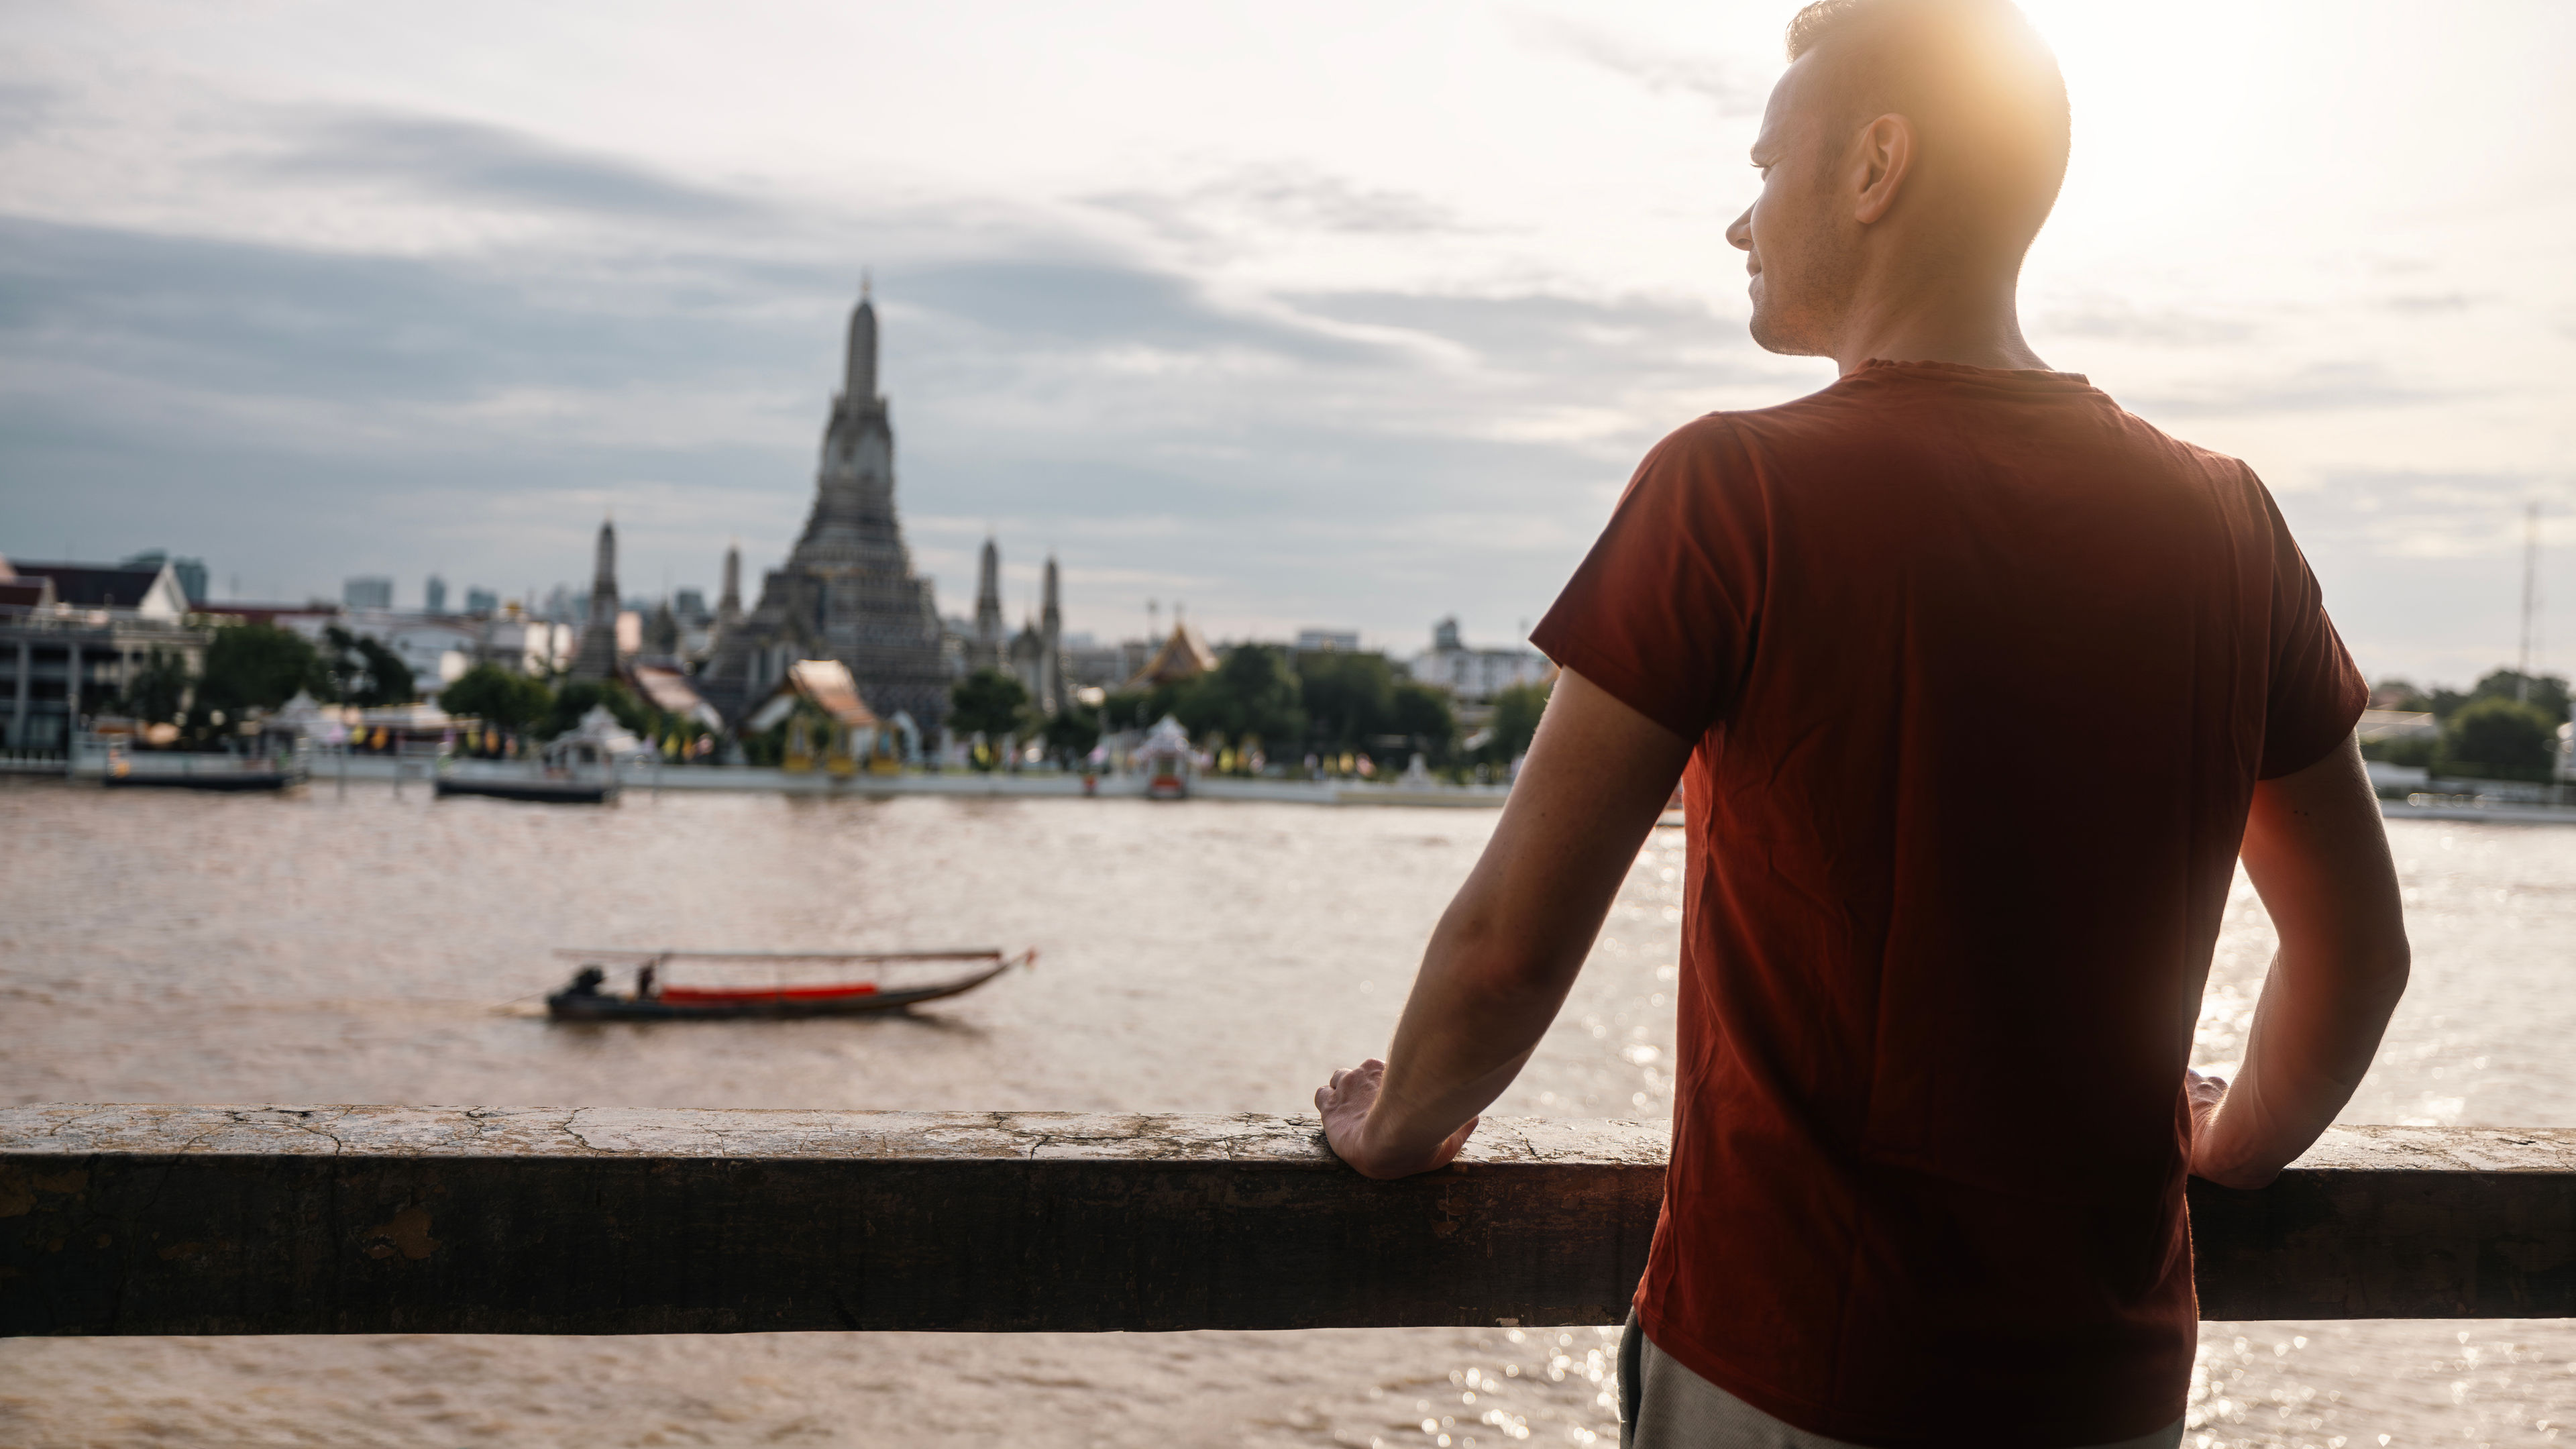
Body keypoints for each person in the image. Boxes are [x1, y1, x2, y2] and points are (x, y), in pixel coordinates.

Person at [1312, 0, 2411, 1444]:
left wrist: (1396, 1128)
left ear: (1876, 166)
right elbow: (2358, 956)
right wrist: (2237, 1141)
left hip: (1792, 1371)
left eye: (1767, 167)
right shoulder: (2228, 523)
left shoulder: (1731, 495)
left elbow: (1511, 945)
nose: (1738, 221)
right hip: (2109, 1389)